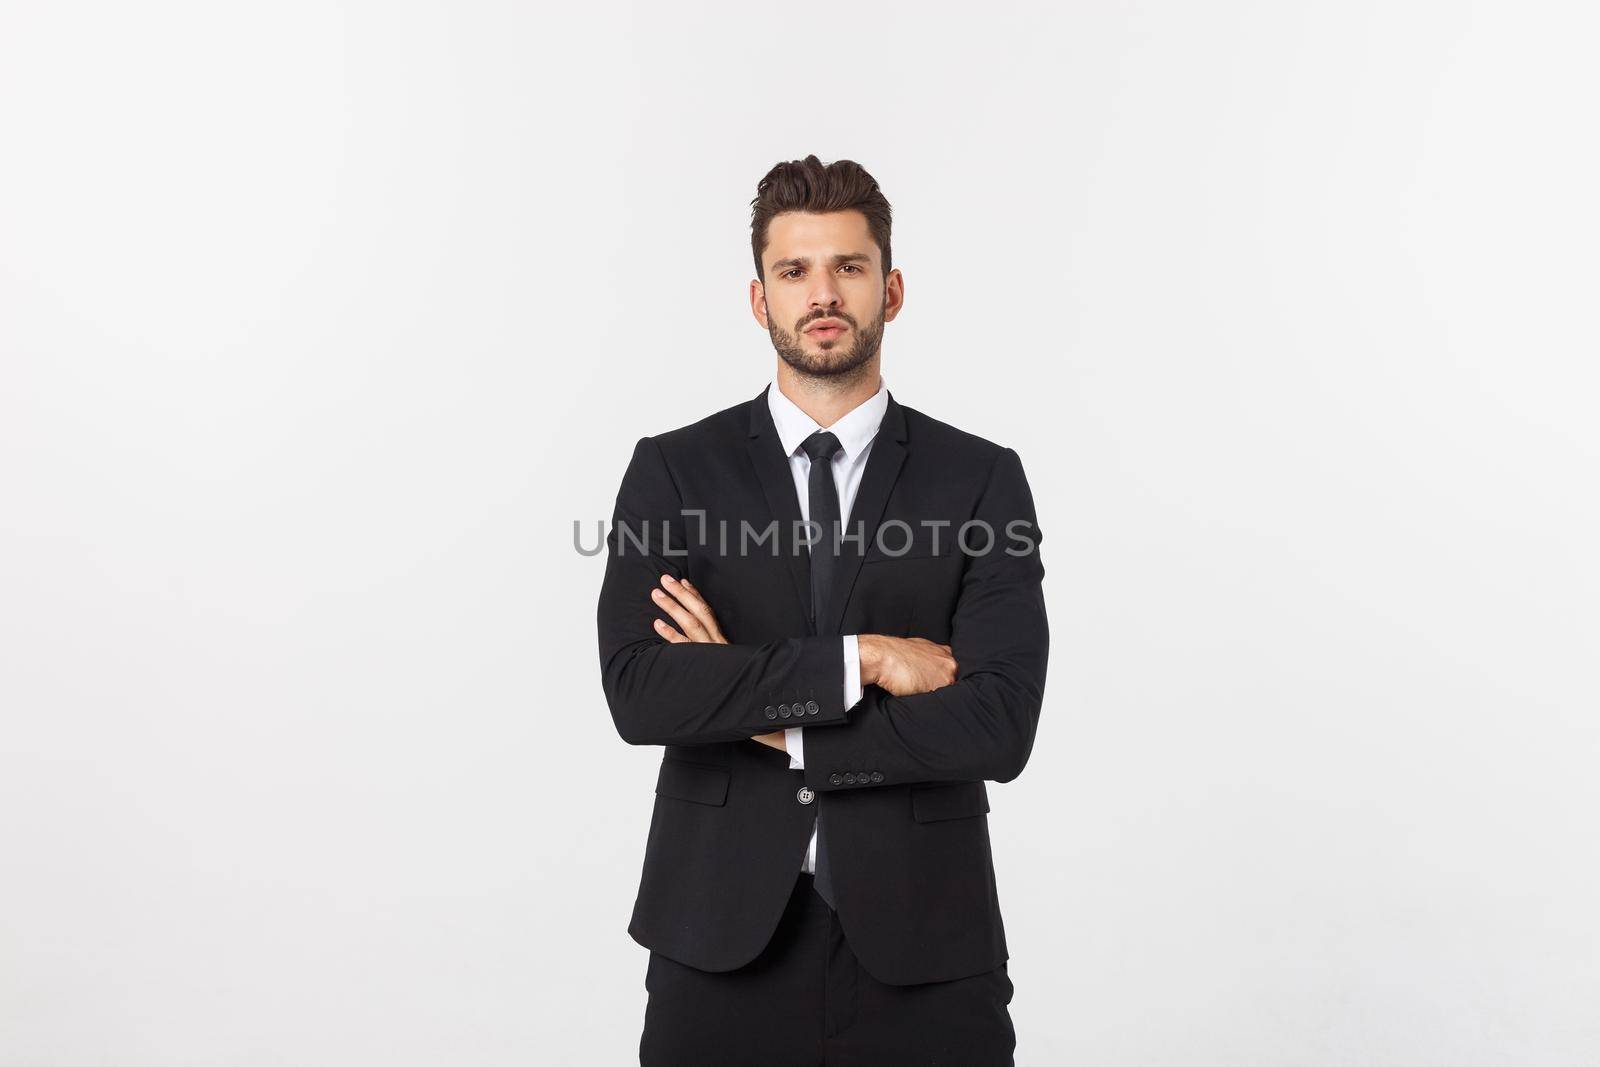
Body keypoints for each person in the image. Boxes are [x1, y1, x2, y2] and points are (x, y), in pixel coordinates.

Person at [596, 154, 1050, 1065]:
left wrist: (762, 712)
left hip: (928, 945)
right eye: (794, 270)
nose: (823, 293)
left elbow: (999, 725)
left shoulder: (981, 479)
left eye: (849, 266)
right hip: (716, 940)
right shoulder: (674, 471)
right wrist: (868, 659)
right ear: (760, 300)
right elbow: (643, 693)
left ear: (893, 287)